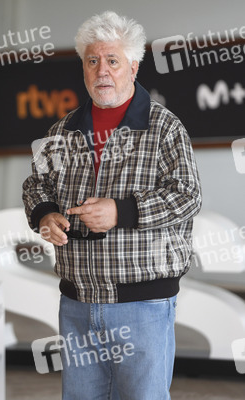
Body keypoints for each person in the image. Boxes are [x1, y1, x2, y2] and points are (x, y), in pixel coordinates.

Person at [22, 10, 202, 400]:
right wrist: (45, 216)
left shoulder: (165, 128)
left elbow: (188, 195)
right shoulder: (62, 131)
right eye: (92, 60)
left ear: (133, 66)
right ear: (84, 67)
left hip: (144, 305)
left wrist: (123, 212)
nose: (101, 70)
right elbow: (36, 185)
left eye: (113, 60)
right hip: (77, 303)